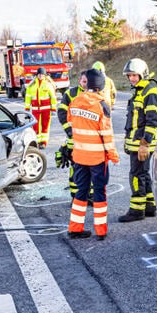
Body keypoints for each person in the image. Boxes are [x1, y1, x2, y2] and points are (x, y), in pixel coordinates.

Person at [67, 68, 119, 241]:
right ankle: (101, 231)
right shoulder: (102, 105)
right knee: (99, 192)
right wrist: (113, 156)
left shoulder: (75, 101)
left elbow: (70, 121)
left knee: (81, 191)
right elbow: (107, 135)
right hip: (97, 159)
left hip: (79, 157)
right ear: (100, 85)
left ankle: (75, 229)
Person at [118, 58, 157, 222]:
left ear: (143, 74)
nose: (131, 79)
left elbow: (152, 120)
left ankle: (136, 211)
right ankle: (149, 207)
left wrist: (144, 144)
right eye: (129, 76)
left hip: (142, 144)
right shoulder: (139, 91)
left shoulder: (150, 92)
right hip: (136, 143)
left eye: (134, 75)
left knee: (136, 176)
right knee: (143, 174)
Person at [57, 71, 87, 196]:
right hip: (74, 139)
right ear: (79, 80)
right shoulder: (71, 94)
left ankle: (88, 195)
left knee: (90, 169)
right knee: (76, 168)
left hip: (90, 141)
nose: (86, 84)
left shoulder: (95, 94)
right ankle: (75, 196)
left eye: (88, 82)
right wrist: (69, 131)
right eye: (84, 81)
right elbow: (61, 112)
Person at [24, 67, 58, 148]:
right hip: (35, 109)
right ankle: (37, 141)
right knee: (35, 126)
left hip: (46, 109)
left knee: (45, 125)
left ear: (45, 75)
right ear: (37, 75)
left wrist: (53, 109)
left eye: (42, 74)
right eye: (39, 74)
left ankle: (43, 142)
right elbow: (28, 97)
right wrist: (27, 109)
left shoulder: (48, 84)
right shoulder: (31, 86)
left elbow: (53, 97)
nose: (40, 76)